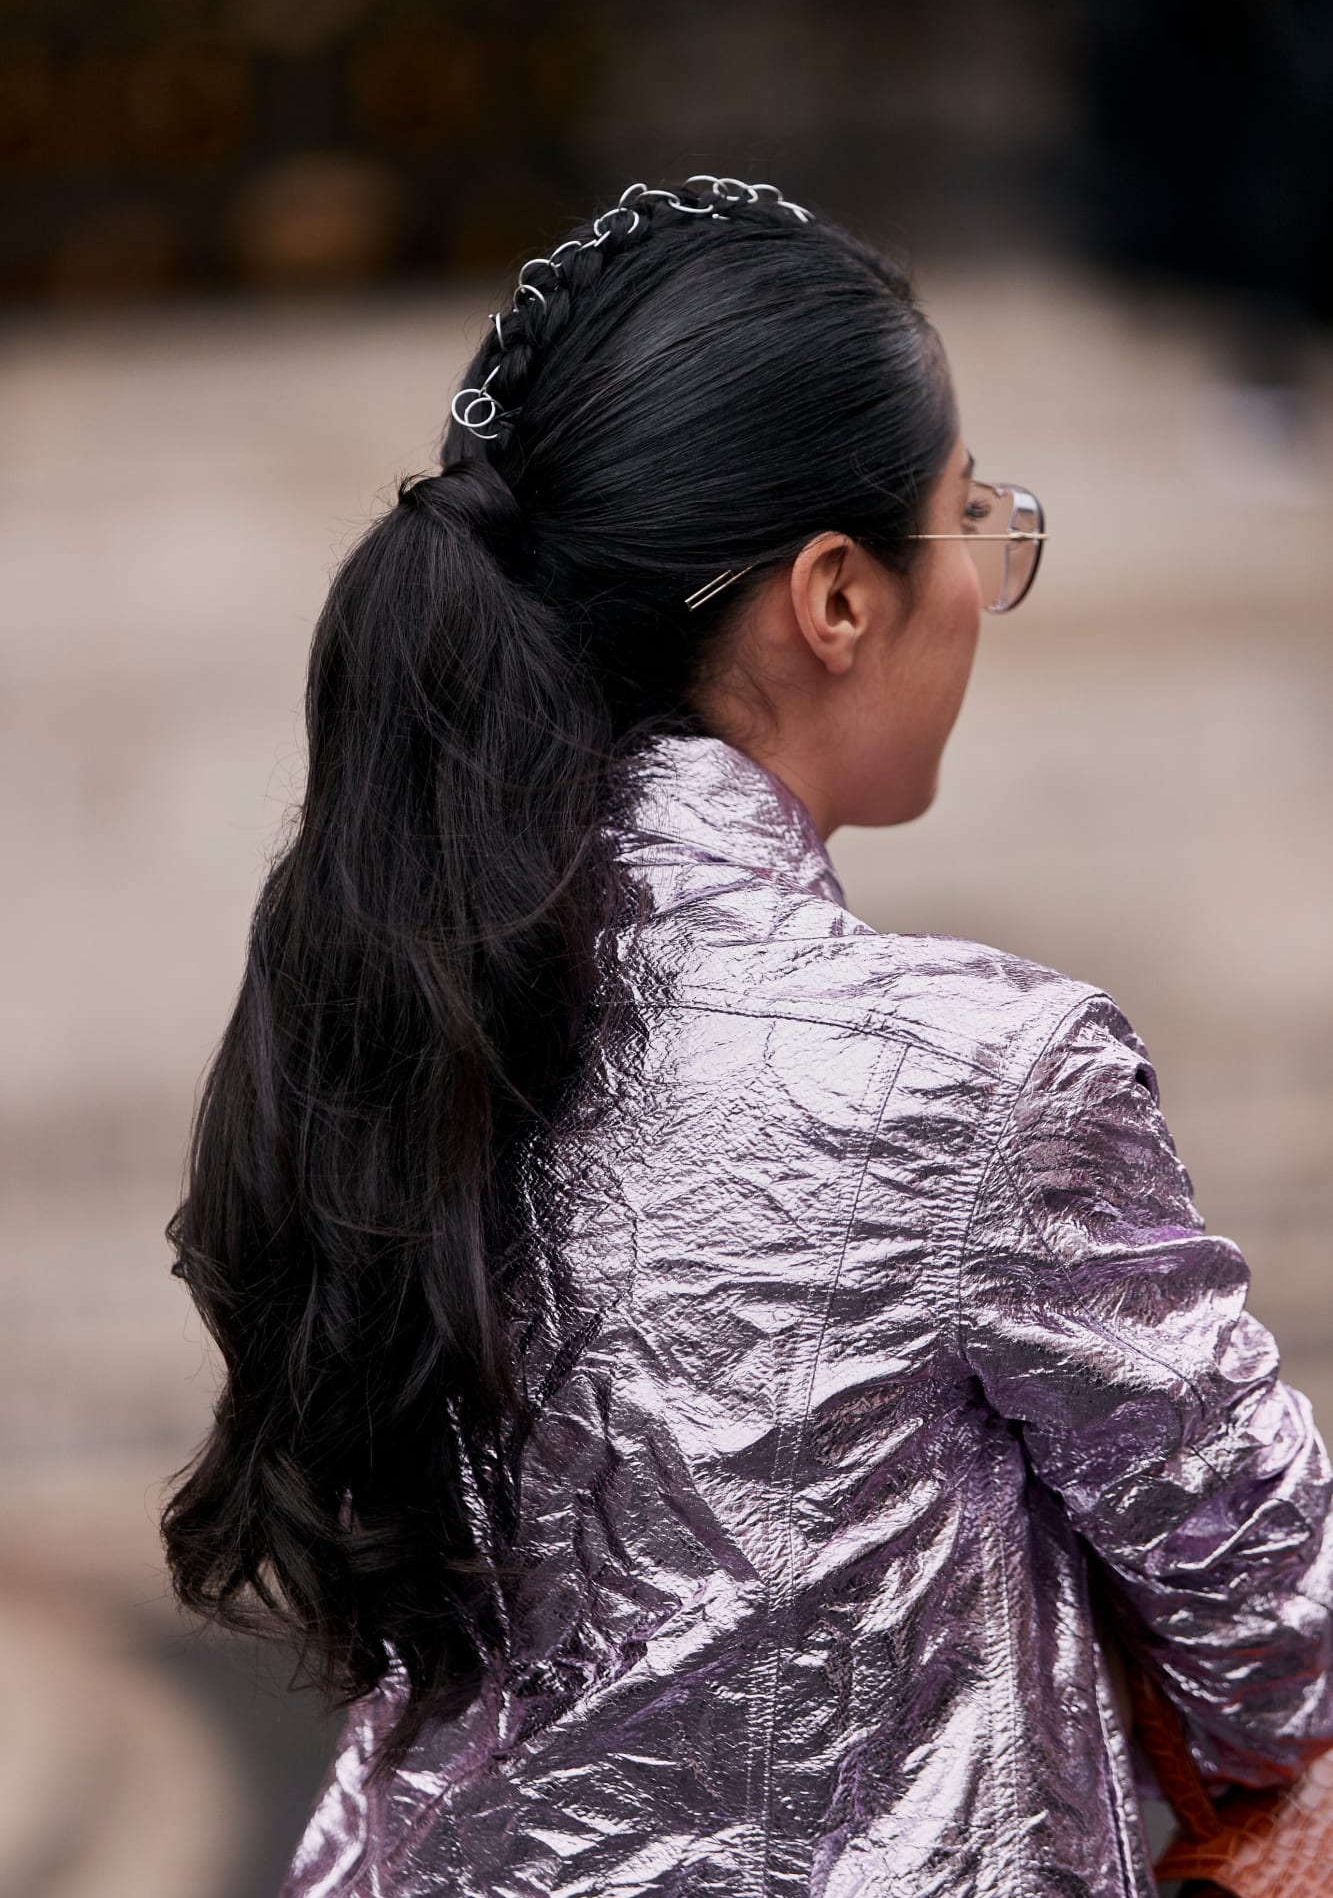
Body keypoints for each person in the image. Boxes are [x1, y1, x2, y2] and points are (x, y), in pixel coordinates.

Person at [161, 178, 1333, 1897]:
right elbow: (1278, 1630)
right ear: (836, 598)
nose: (984, 576)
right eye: (969, 518)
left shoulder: (401, 1020)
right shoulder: (979, 1080)